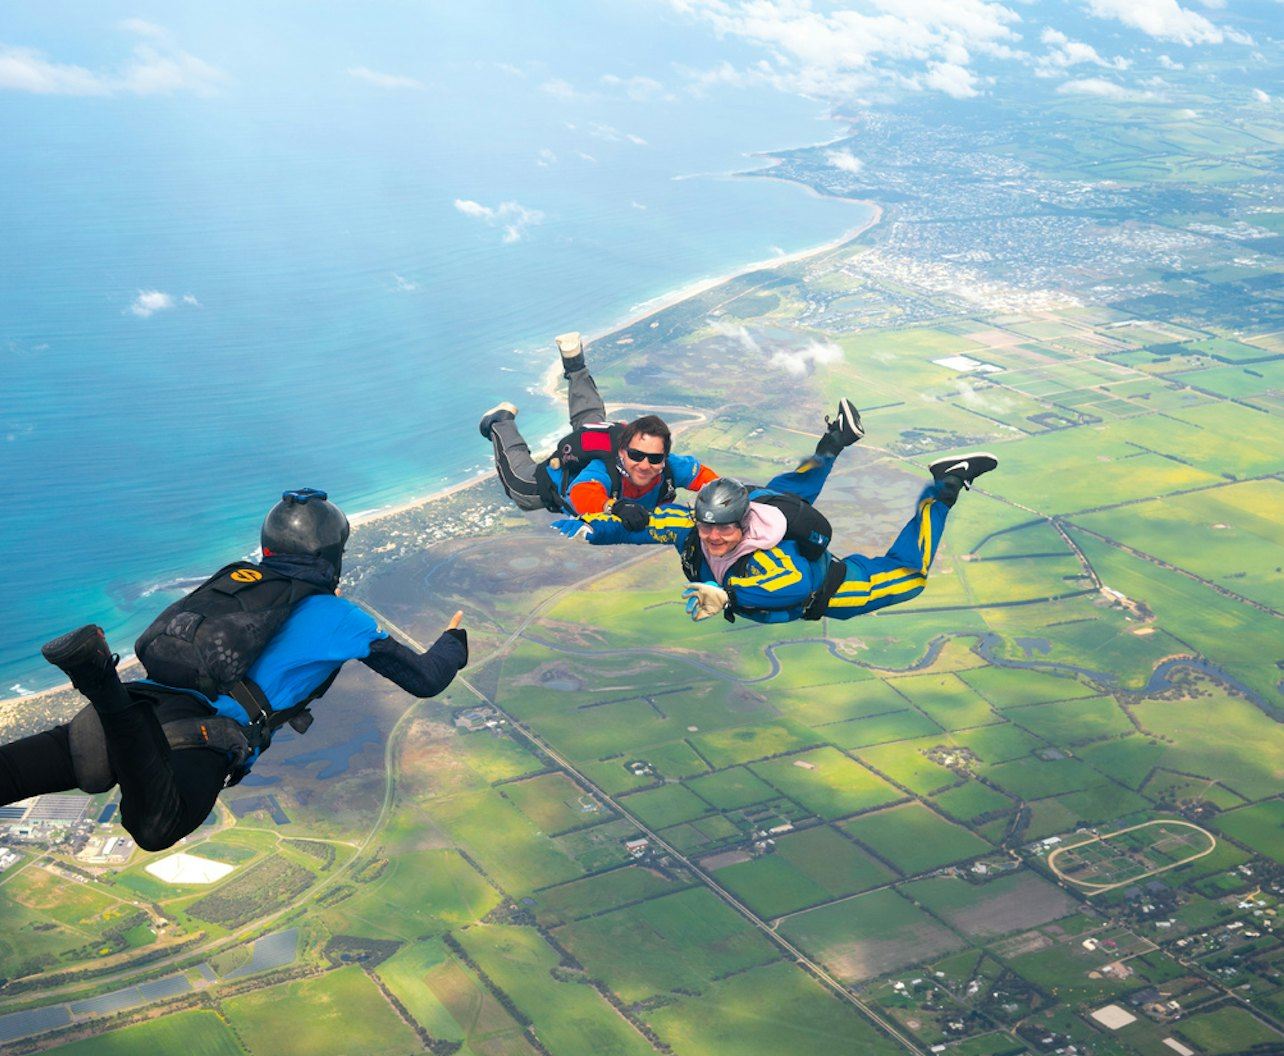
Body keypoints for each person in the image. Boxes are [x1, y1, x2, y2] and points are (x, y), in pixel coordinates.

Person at [0, 489, 467, 852]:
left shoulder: (235, 581)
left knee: (10, 774)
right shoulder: (340, 618)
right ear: (332, 556)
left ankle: (105, 684)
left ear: (269, 549)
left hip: (142, 698)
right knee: (157, 826)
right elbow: (425, 679)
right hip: (196, 734)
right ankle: (97, 679)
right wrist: (454, 642)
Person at [557, 408, 998, 625]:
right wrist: (595, 529)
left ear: (742, 525)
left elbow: (794, 585)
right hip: (768, 501)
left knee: (910, 576)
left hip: (837, 588)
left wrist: (724, 593)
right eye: (706, 524)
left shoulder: (768, 557)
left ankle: (945, 489)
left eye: (723, 529)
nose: (712, 536)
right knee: (793, 487)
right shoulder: (696, 527)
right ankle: (836, 438)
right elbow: (646, 526)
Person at [479, 332, 719, 528]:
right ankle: (500, 420)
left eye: (655, 458)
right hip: (560, 477)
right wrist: (614, 507)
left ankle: (575, 363)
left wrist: (736, 495)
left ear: (665, 457)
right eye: (636, 455)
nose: (645, 465)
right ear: (623, 452)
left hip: (599, 434)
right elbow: (583, 493)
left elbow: (708, 480)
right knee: (518, 485)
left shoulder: (673, 467)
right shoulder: (603, 470)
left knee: (590, 419)